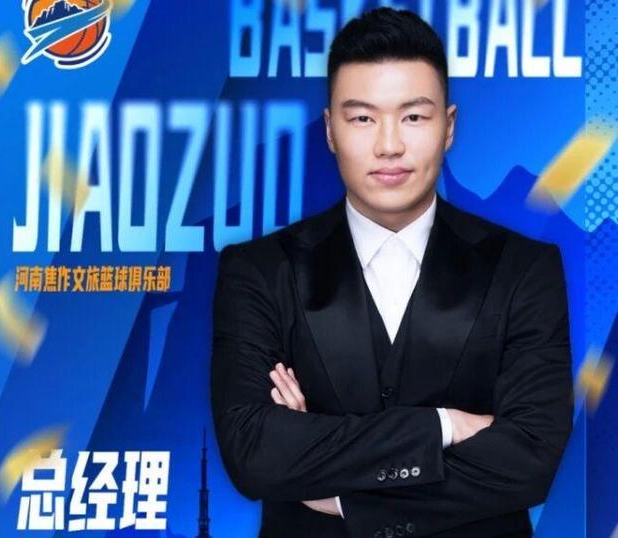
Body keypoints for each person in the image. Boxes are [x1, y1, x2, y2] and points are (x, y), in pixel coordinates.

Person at [210, 7, 572, 537]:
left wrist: (338, 486)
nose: (388, 145)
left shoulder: (525, 270)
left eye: (413, 117)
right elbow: (255, 453)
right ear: (330, 129)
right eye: (362, 118)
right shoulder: (259, 271)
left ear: (448, 127)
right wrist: (445, 425)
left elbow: (530, 459)